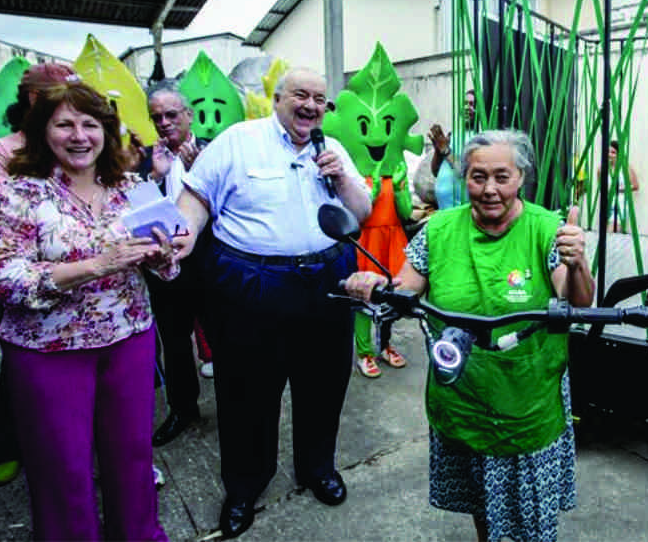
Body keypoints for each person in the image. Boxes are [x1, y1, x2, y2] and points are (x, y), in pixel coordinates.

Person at [344, 128, 594, 542]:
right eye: (478, 177)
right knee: (481, 506)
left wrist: (579, 261)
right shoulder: (438, 230)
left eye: (502, 176)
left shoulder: (547, 229)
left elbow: (578, 303)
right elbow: (405, 288)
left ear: (521, 178)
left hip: (526, 410)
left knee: (530, 524)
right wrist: (375, 285)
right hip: (461, 403)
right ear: (465, 178)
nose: (490, 189)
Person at [174, 67, 371, 539]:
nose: (310, 105)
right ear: (277, 99)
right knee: (247, 391)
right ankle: (245, 486)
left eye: (319, 99)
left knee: (324, 383)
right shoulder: (237, 141)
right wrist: (183, 235)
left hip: (326, 278)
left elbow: (360, 212)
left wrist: (341, 177)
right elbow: (196, 197)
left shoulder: (333, 148)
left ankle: (317, 467)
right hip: (252, 282)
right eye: (300, 95)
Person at [0, 82, 175, 541]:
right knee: (61, 464)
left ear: (107, 131)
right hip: (49, 349)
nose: (79, 135)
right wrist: (92, 266)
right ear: (41, 130)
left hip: (128, 337)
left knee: (131, 455)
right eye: (64, 124)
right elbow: (4, 278)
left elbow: (169, 264)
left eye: (90, 124)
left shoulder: (132, 187)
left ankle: (139, 534)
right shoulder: (18, 194)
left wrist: (163, 256)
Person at [0, 61, 79, 487]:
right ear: (35, 99)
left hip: (80, 280)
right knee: (20, 370)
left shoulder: (79, 141)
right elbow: (12, 227)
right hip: (29, 280)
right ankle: (9, 447)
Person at [139, 83, 214, 446]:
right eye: (157, 117)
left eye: (171, 115)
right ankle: (183, 408)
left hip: (208, 264)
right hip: (163, 267)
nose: (165, 123)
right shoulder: (143, 159)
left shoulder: (213, 152)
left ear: (189, 115)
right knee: (174, 341)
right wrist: (153, 176)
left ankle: (235, 405)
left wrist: (197, 169)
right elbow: (131, 207)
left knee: (222, 336)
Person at [429, 88, 477, 209]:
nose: (467, 108)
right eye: (464, 104)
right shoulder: (454, 134)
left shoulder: (480, 137)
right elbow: (435, 171)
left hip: (462, 208)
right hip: (444, 208)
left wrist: (445, 150)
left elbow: (466, 171)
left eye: (472, 104)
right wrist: (438, 150)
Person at [605, 139, 639, 232]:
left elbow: (635, 186)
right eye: (608, 151)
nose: (610, 154)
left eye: (613, 152)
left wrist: (618, 190)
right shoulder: (603, 168)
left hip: (620, 201)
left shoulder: (626, 167)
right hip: (608, 202)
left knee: (611, 231)